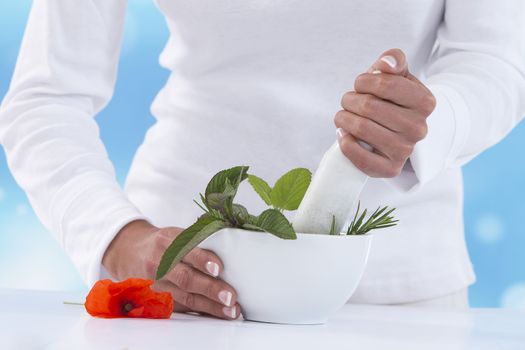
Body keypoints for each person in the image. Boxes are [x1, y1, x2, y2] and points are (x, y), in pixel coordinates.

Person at [1, 1, 524, 320]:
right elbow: (46, 97)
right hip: (183, 285)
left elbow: (497, 60)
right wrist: (117, 237)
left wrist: (432, 120)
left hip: (396, 293)